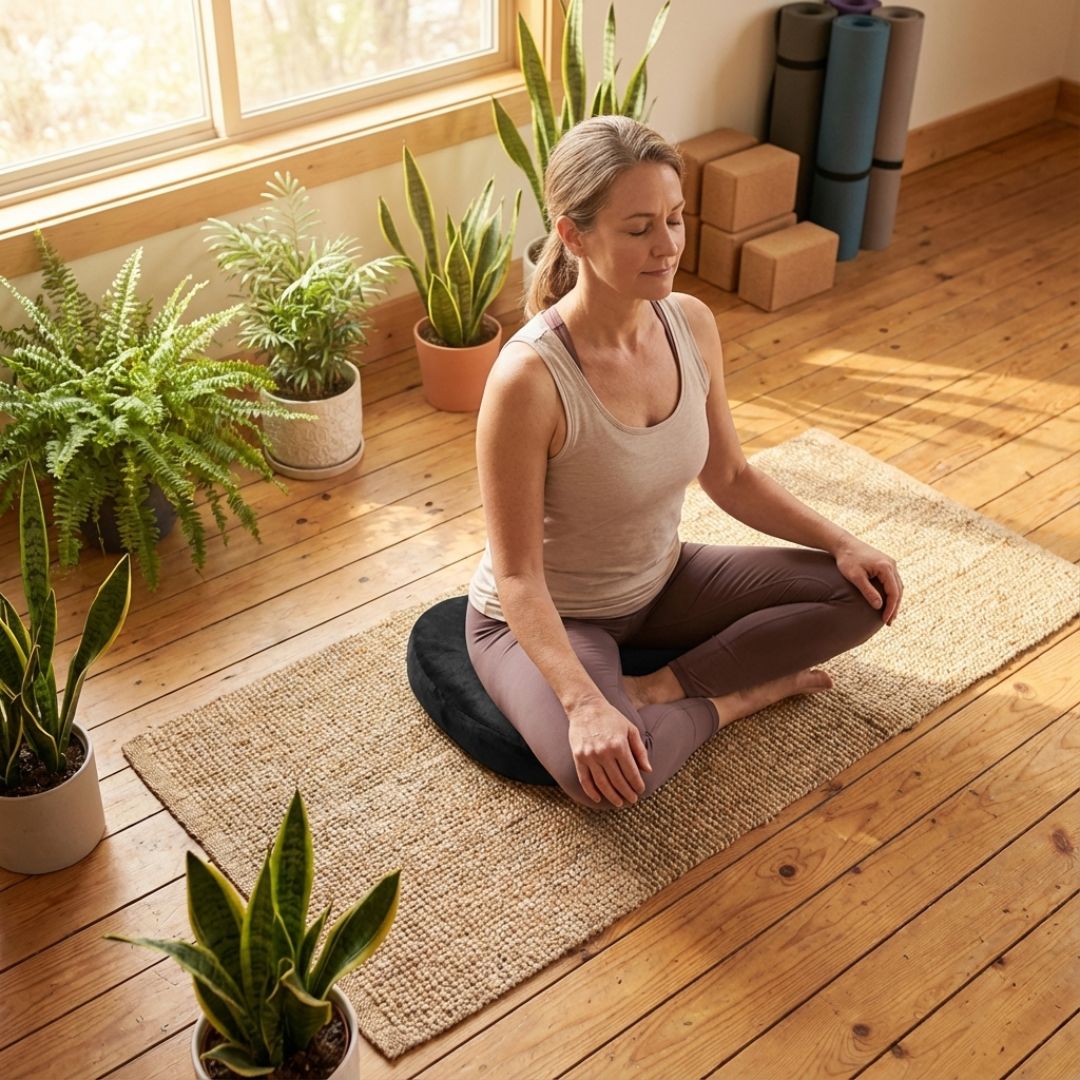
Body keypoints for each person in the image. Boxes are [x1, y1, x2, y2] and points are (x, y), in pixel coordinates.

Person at [466, 116, 902, 811]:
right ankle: (736, 699)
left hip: (661, 582)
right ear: (574, 236)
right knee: (605, 779)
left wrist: (844, 542)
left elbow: (730, 477)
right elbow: (518, 577)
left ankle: (661, 688)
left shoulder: (690, 323)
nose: (667, 245)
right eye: (639, 228)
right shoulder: (528, 380)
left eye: (675, 218)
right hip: (557, 614)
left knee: (863, 594)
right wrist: (584, 704)